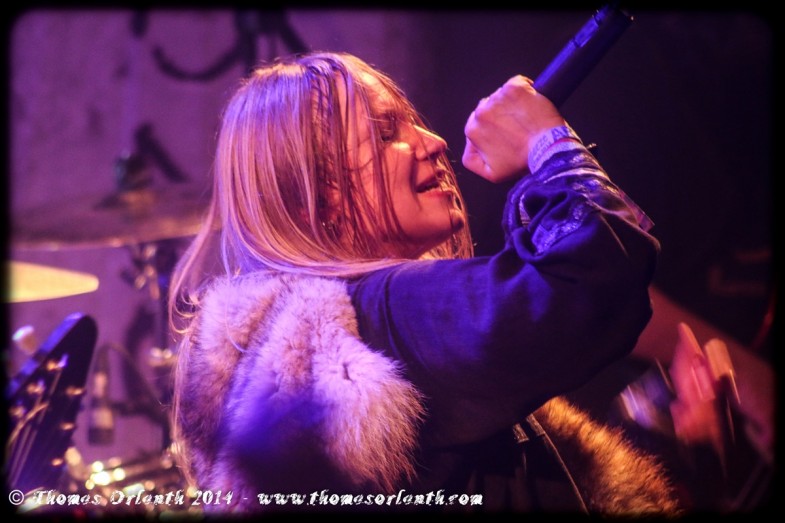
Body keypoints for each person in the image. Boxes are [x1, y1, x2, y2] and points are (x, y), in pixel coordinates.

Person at [167, 51, 680, 514]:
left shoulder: (300, 343)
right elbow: (590, 275)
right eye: (386, 132)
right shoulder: (381, 314)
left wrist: (669, 438)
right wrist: (548, 145)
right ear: (318, 198)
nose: (434, 143)